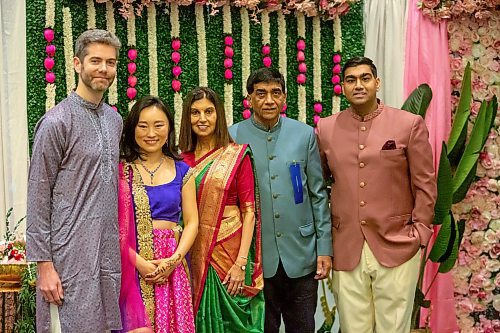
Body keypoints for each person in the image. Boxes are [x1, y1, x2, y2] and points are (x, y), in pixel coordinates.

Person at [316, 56, 437, 333]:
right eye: (351, 80)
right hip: (346, 246)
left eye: (365, 78)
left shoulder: (408, 124)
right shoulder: (325, 128)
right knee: (352, 328)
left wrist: (419, 232)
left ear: (377, 83)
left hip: (397, 243)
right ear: (343, 87)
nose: (358, 85)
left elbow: (425, 184)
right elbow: (320, 185)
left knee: (393, 328)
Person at [26, 29, 123, 332]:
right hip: (68, 259)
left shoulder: (114, 120)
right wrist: (44, 266)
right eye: (96, 61)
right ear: (77, 64)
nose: (104, 69)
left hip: (106, 255)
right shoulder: (57, 122)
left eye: (111, 62)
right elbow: (38, 196)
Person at [229, 68, 332, 333]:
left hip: (302, 253)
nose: (269, 100)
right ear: (249, 98)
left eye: (275, 93)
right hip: (256, 258)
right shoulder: (233, 137)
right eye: (260, 94)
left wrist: (324, 248)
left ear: (284, 97)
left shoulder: (304, 134)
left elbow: (317, 195)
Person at [179, 87, 264, 333]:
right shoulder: (181, 159)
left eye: (208, 111)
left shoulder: (237, 155)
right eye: (195, 113)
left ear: (219, 115)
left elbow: (249, 212)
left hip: (229, 255)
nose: (202, 119)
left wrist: (240, 264)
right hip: (193, 255)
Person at [117, 95, 198, 332]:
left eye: (158, 125)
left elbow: (192, 222)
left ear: (169, 128)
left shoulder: (183, 170)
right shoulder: (121, 171)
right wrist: (138, 262)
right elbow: (112, 226)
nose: (151, 133)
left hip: (172, 266)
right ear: (132, 129)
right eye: (143, 126)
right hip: (131, 264)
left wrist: (174, 260)